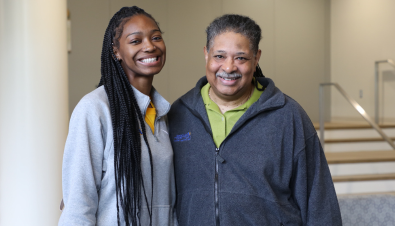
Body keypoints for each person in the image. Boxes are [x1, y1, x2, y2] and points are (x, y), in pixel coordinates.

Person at [168, 14, 342, 225]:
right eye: (219, 56)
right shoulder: (179, 113)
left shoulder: (288, 116)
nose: (229, 67)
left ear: (256, 57)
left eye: (240, 58)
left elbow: (319, 201)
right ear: (206, 54)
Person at [59, 6, 177, 226]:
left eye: (156, 37)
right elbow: (78, 205)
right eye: (136, 41)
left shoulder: (163, 114)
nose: (150, 46)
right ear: (116, 51)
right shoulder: (94, 109)